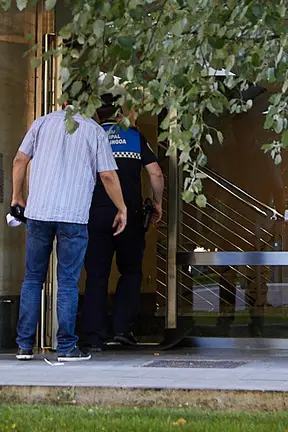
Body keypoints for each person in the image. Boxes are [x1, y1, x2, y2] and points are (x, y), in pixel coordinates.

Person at [11, 86, 128, 362]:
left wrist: (17, 196)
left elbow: (19, 161)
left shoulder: (40, 124)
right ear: (91, 104)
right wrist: (122, 207)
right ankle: (65, 347)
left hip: (38, 212)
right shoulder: (94, 130)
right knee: (67, 281)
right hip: (74, 215)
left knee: (32, 278)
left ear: (63, 101)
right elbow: (108, 176)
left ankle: (24, 345)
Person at [80, 94, 164, 351]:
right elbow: (156, 173)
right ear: (121, 113)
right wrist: (157, 201)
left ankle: (94, 335)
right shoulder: (135, 136)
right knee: (130, 272)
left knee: (96, 274)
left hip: (94, 213)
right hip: (129, 214)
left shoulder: (91, 135)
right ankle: (121, 330)